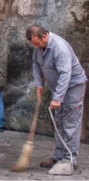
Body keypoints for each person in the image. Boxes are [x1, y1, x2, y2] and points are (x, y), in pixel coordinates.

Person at [26, 25, 87, 170]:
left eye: (37, 43)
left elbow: (65, 74)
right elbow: (36, 64)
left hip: (73, 87)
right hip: (58, 88)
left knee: (70, 124)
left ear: (44, 36)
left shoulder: (60, 48)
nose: (36, 47)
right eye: (34, 45)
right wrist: (39, 84)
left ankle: (69, 159)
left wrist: (57, 98)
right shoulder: (38, 48)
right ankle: (59, 156)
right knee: (58, 122)